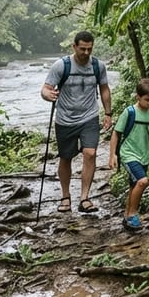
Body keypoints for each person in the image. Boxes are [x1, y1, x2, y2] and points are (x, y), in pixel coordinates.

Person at [41, 31, 112, 214]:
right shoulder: (61, 65)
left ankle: (85, 198)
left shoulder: (98, 66)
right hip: (65, 119)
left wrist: (108, 113)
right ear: (74, 46)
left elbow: (104, 89)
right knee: (66, 158)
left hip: (89, 117)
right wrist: (47, 95)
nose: (86, 53)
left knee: (90, 153)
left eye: (90, 49)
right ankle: (65, 197)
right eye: (82, 49)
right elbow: (46, 88)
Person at [108, 78, 149, 231]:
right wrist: (113, 155)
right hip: (128, 153)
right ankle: (134, 214)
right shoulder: (129, 112)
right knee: (142, 181)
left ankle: (127, 218)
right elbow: (116, 133)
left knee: (134, 186)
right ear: (138, 97)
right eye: (147, 100)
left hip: (144, 155)